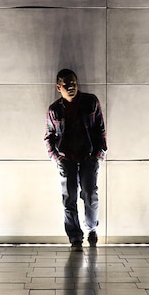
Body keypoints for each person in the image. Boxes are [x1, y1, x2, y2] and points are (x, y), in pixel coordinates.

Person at [45, 69, 107, 251]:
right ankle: (75, 239)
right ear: (58, 87)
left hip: (89, 158)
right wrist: (57, 159)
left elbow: (100, 129)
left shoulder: (90, 102)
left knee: (90, 196)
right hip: (67, 160)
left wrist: (99, 155)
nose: (71, 86)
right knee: (69, 199)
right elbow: (49, 136)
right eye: (66, 84)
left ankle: (92, 229)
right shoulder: (54, 109)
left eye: (73, 83)